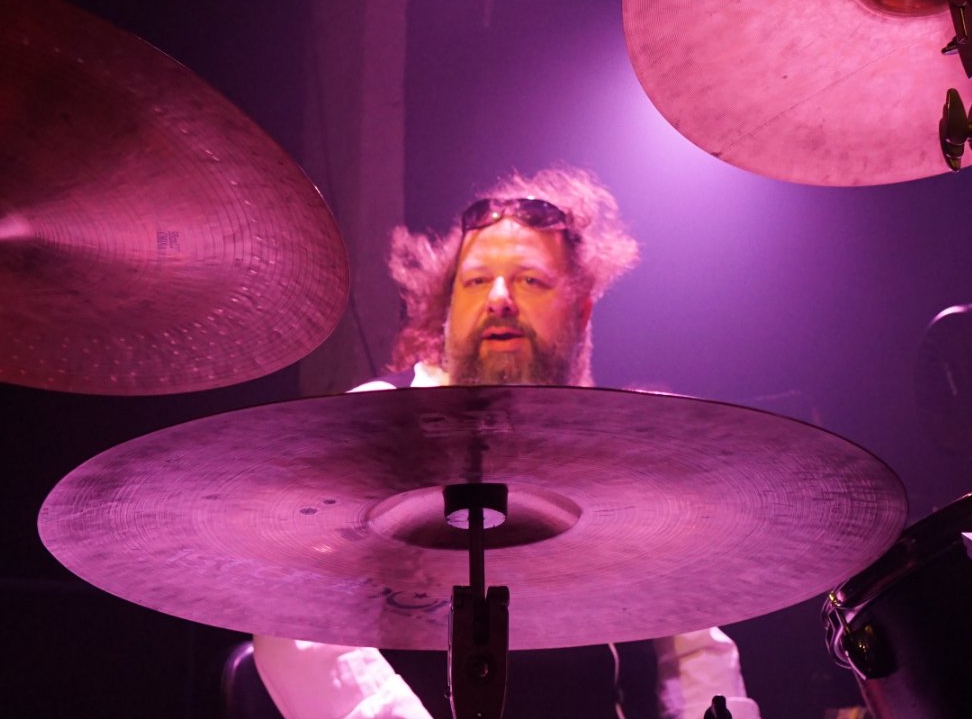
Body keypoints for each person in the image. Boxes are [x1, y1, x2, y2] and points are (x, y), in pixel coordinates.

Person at [252, 167, 762, 719]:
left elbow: (695, 652)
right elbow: (293, 613)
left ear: (582, 309)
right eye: (475, 282)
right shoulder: (375, 420)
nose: (499, 299)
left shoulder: (613, 452)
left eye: (530, 281)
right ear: (448, 309)